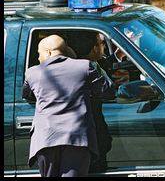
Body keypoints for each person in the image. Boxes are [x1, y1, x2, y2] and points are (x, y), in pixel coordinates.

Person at [22, 34, 115, 177]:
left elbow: (27, 95)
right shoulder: (85, 66)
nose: (39, 58)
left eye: (39, 53)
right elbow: (108, 91)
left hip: (45, 140)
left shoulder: (32, 73)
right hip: (77, 140)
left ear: (48, 52)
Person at [67, 31, 124, 173]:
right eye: (102, 43)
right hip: (92, 136)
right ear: (94, 48)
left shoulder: (84, 65)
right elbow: (107, 91)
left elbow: (103, 64)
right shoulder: (87, 68)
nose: (104, 46)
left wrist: (118, 56)